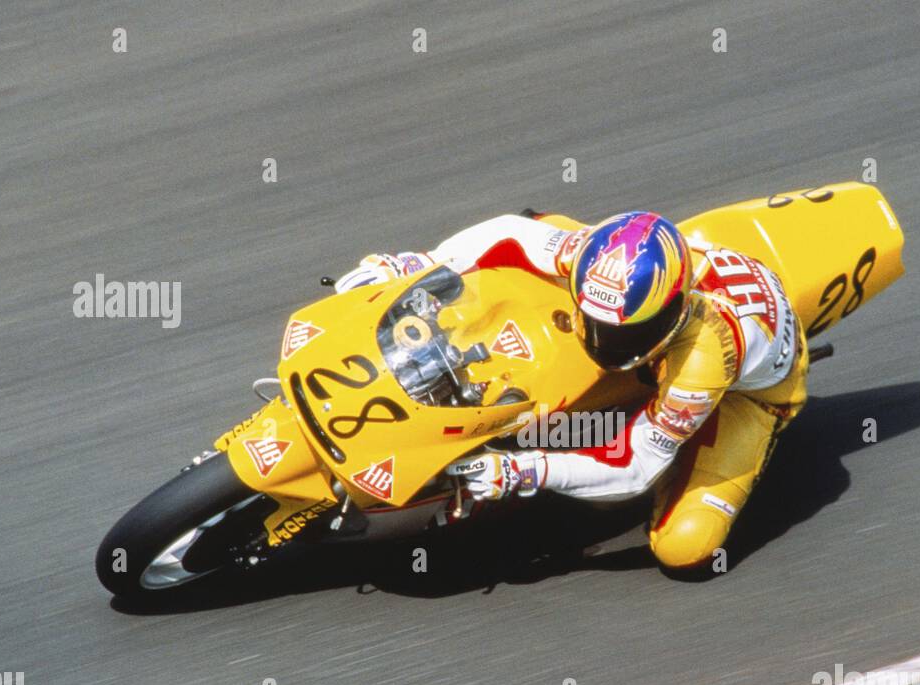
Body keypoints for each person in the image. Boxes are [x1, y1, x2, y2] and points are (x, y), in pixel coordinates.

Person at [334, 209, 808, 572]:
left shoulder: (703, 358)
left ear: (673, 314)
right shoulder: (600, 262)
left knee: (685, 546)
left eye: (619, 334)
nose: (600, 342)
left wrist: (524, 470)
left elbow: (635, 466)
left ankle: (746, 441)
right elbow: (510, 233)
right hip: (662, 310)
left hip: (745, 393)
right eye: (595, 322)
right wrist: (416, 264)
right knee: (534, 226)